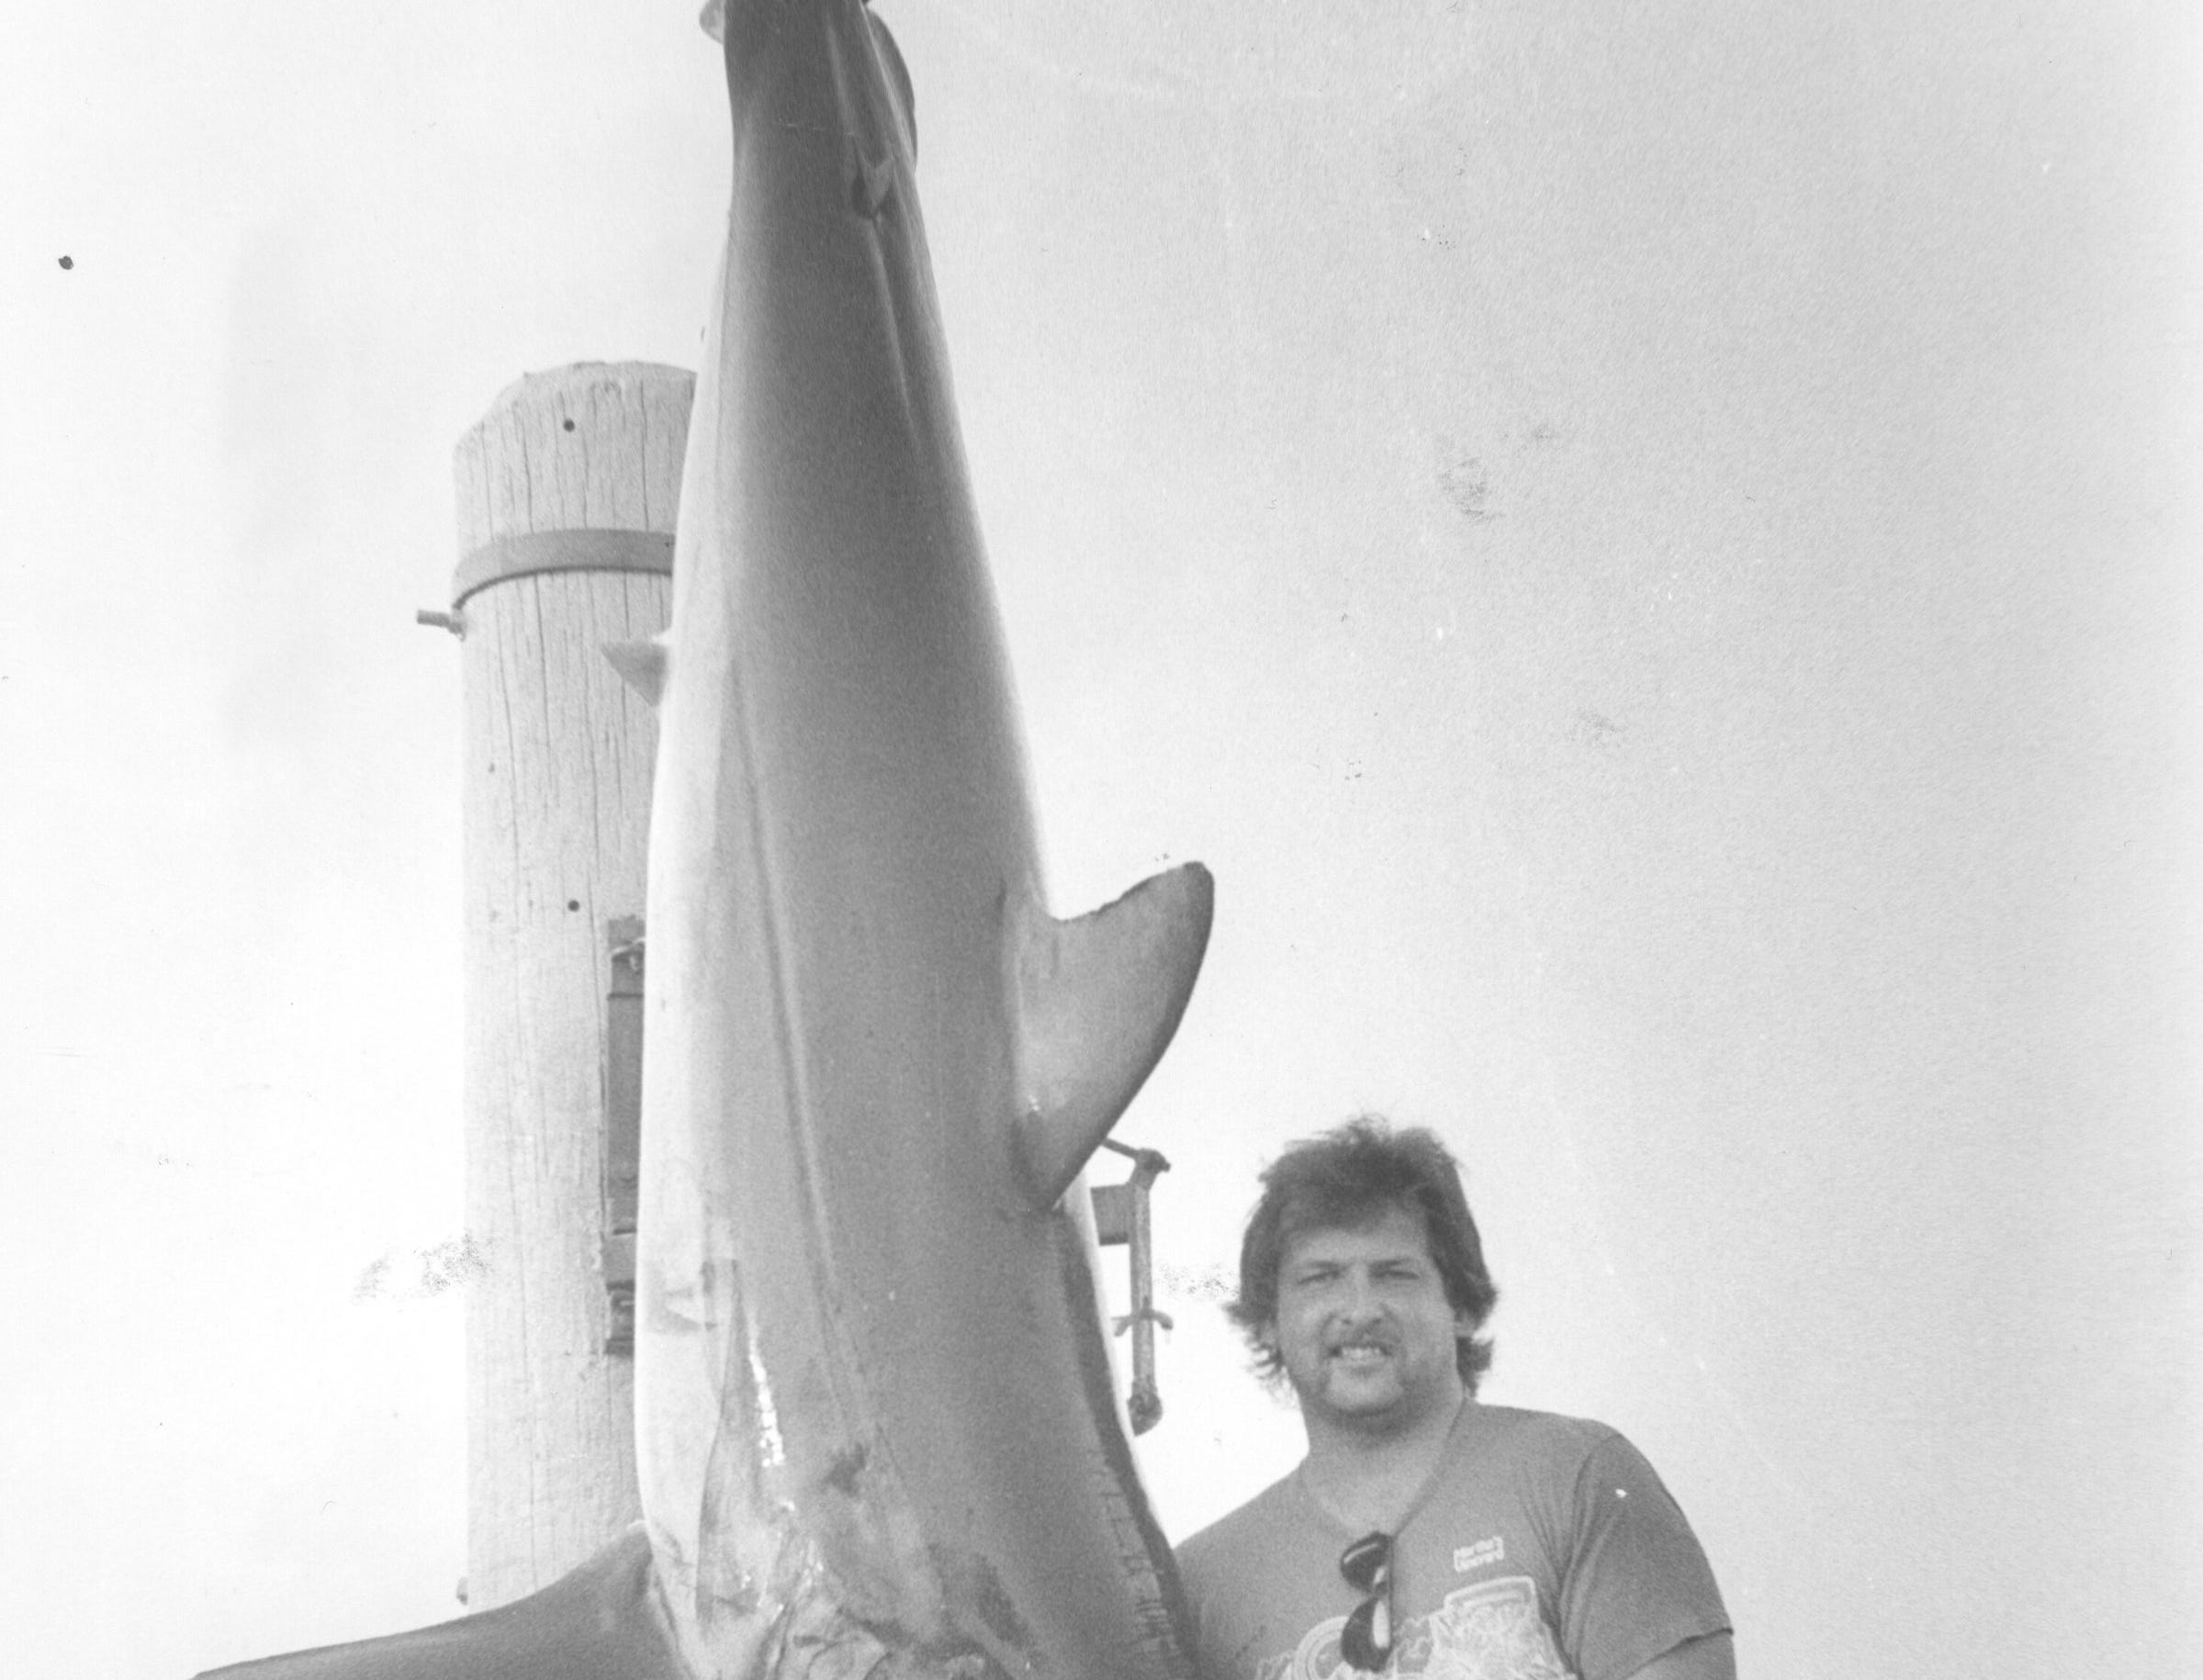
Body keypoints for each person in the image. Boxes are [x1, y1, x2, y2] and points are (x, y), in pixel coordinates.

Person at [1175, 1117, 1734, 1680]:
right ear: (1269, 1321)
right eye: (1320, 1278)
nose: (1361, 1308)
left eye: (1395, 1274)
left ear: (1461, 1306)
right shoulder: (1201, 1586)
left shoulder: (1577, 1478)